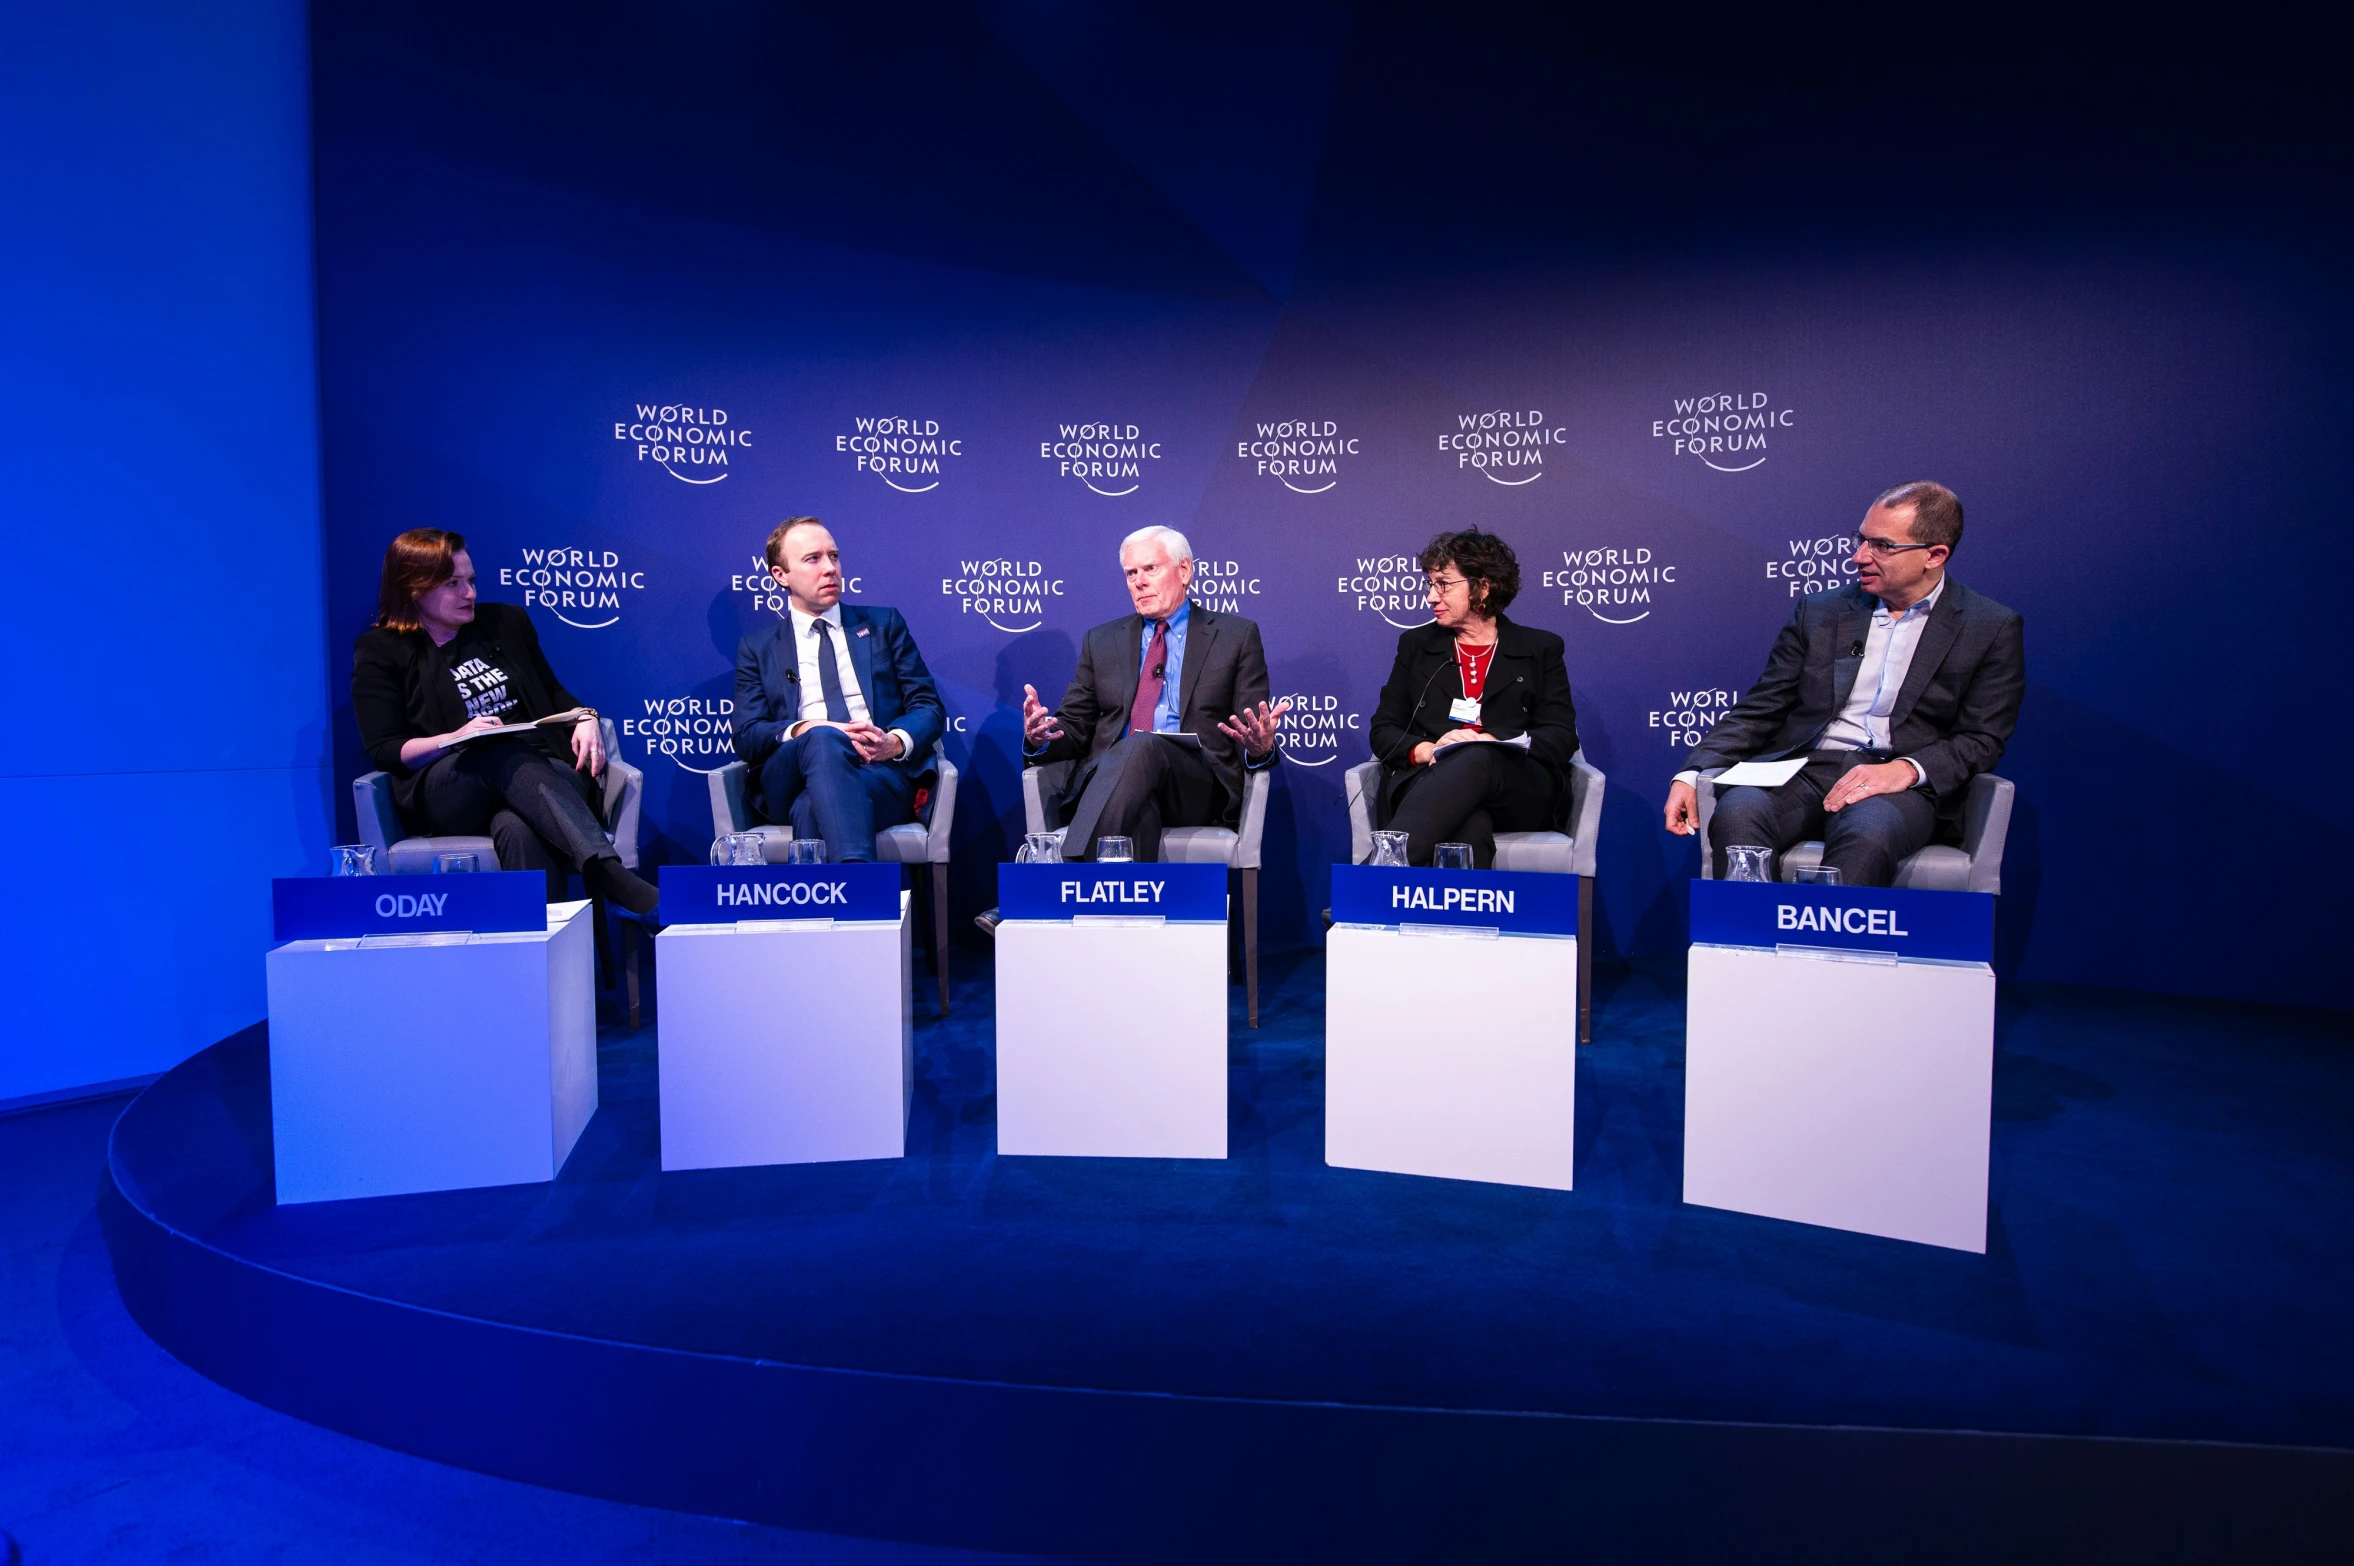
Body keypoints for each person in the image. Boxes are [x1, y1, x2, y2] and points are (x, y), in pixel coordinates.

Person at [1664, 481, 2025, 886]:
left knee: (1867, 835)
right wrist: (1692, 773)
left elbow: (1982, 737)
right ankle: (1748, 940)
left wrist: (1907, 769)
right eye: (1861, 540)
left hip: (1894, 784)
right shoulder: (1821, 611)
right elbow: (1762, 706)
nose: (1859, 557)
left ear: (1935, 555)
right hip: (1803, 770)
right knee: (1739, 811)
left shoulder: (1988, 627)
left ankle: (1824, 947)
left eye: (1882, 546)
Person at [350, 528, 661, 915]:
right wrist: (455, 737)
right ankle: (607, 873)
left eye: (471, 581)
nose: (470, 594)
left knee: (517, 826)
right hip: (453, 788)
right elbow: (385, 749)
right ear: (414, 589)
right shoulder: (382, 650)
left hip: (544, 776)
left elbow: (553, 692)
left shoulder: (504, 623)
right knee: (499, 750)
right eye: (453, 584)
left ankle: (539, 959)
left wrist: (586, 716)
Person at [1019, 525, 1289, 860]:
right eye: (1130, 573)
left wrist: (1261, 748)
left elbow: (1250, 729)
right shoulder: (1101, 641)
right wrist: (1040, 738)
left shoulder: (1235, 636)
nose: (1139, 581)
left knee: (1143, 743)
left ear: (1185, 570)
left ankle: (1056, 879)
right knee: (1139, 809)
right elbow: (1074, 726)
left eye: (1151, 568)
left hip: (1195, 784)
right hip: (1114, 782)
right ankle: (1123, 911)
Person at [731, 517, 945, 861]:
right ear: (780, 575)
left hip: (879, 772)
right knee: (821, 739)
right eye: (813, 559)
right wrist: (808, 728)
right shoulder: (758, 648)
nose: (830, 569)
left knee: (810, 809)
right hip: (790, 776)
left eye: (834, 556)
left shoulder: (883, 625)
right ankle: (861, 884)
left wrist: (894, 743)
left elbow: (928, 707)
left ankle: (831, 903)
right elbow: (747, 734)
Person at [1365, 529, 1580, 867]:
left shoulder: (1540, 649)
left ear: (1483, 586)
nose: (1431, 598)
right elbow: (1384, 729)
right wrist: (1429, 750)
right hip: (1431, 783)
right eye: (1430, 584)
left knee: (1477, 756)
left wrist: (1495, 743)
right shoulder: (1417, 646)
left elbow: (1560, 736)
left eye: (1444, 584)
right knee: (1468, 827)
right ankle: (1455, 920)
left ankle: (1370, 882)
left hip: (1516, 788)